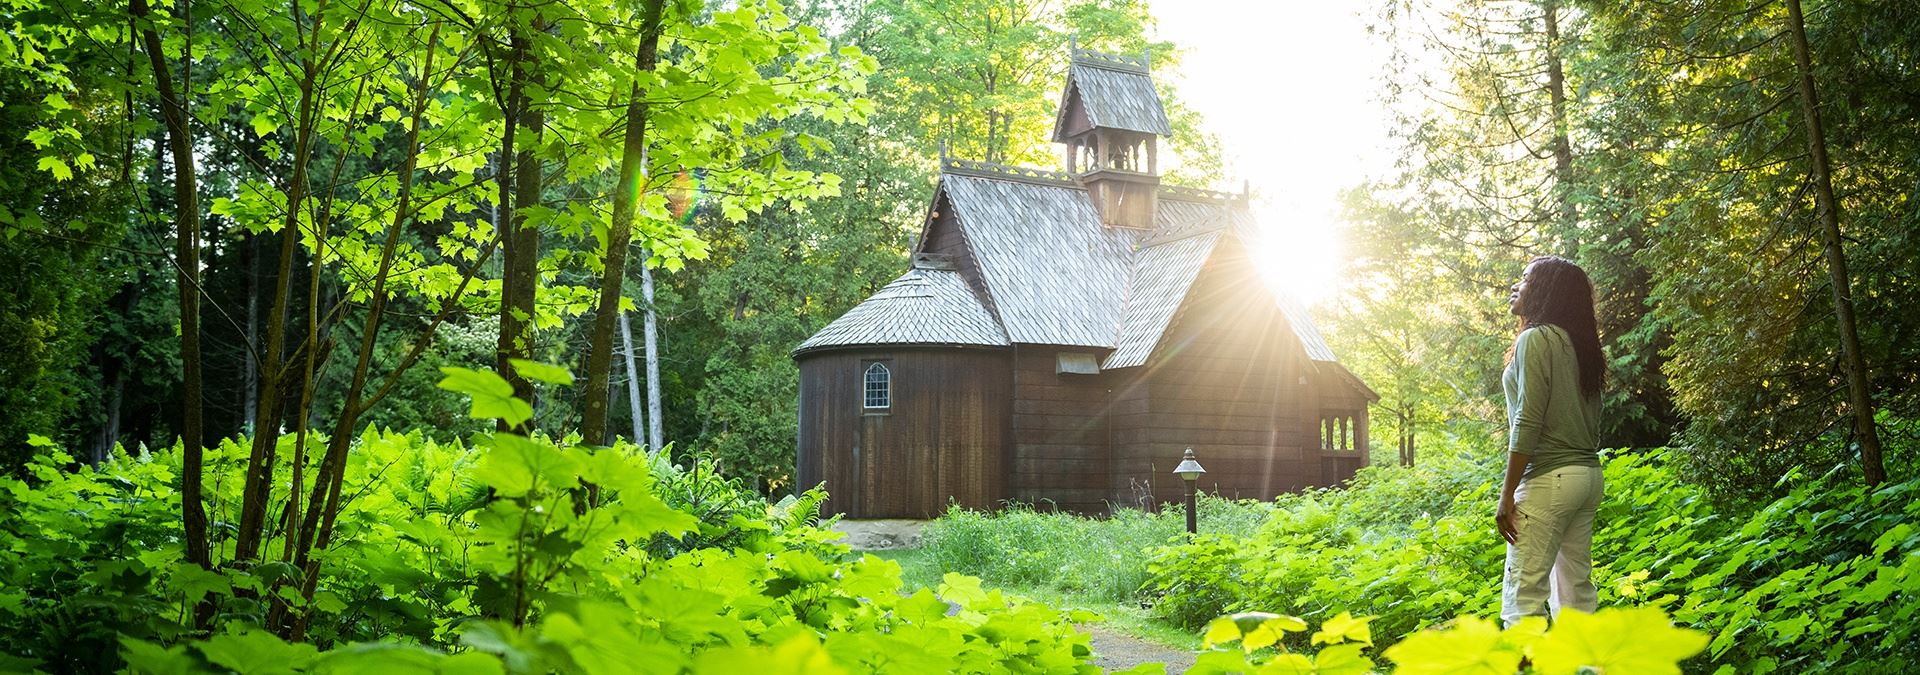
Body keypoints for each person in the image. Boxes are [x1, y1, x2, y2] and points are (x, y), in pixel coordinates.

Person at [1494, 255, 1605, 626]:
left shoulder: (1536, 339)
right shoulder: (1581, 345)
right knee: (1576, 597)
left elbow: (1528, 420)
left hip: (1549, 480)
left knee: (1522, 600)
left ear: (1545, 291)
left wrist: (1507, 493)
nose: (1516, 285)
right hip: (1586, 477)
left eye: (1525, 279)